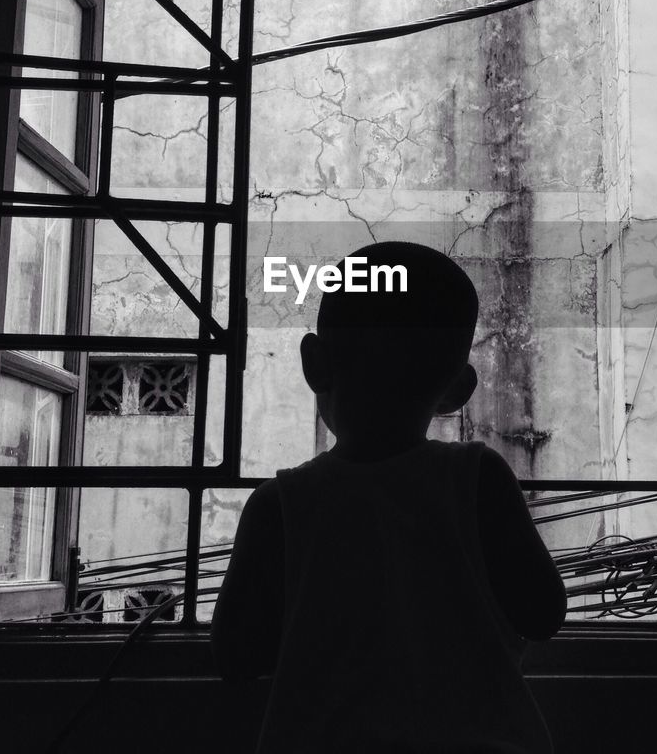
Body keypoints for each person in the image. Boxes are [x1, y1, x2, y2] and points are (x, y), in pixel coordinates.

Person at [213, 241, 566, 753]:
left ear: (315, 364)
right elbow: (542, 613)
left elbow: (236, 657)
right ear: (457, 391)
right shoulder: (478, 478)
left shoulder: (281, 505)